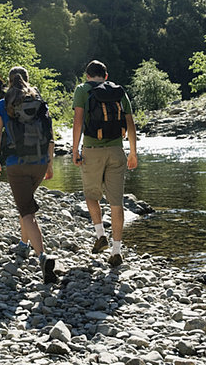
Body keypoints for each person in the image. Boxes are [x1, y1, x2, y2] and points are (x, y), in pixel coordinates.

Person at [0, 66, 57, 283]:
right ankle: (22, 244)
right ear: (28, 80)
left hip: (16, 163)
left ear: (9, 82)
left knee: (26, 211)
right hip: (39, 161)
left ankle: (42, 256)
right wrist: (50, 163)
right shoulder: (38, 103)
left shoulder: (2, 105)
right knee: (25, 202)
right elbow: (50, 134)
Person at [72, 60, 138, 266]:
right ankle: (116, 251)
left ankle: (101, 235)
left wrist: (75, 149)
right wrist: (133, 152)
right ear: (106, 76)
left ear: (87, 75)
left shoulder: (82, 90)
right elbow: (130, 122)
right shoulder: (118, 91)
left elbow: (78, 121)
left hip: (92, 151)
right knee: (116, 202)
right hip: (117, 151)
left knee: (91, 195)